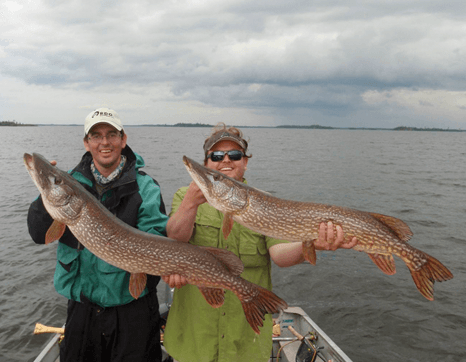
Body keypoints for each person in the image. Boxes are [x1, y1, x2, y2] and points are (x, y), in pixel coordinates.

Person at [162, 123, 358, 362]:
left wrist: (311, 244)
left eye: (234, 155)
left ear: (245, 162)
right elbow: (175, 237)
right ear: (206, 163)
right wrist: (190, 204)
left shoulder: (265, 203)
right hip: (194, 337)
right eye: (216, 155)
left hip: (245, 339)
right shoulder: (185, 196)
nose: (226, 160)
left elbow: (280, 255)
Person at [27, 108, 168, 362]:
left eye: (111, 134)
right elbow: (39, 235)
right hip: (83, 312)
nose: (104, 142)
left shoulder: (146, 187)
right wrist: (45, 193)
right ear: (86, 142)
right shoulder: (69, 184)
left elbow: (155, 236)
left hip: (133, 311)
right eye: (96, 135)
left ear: (123, 139)